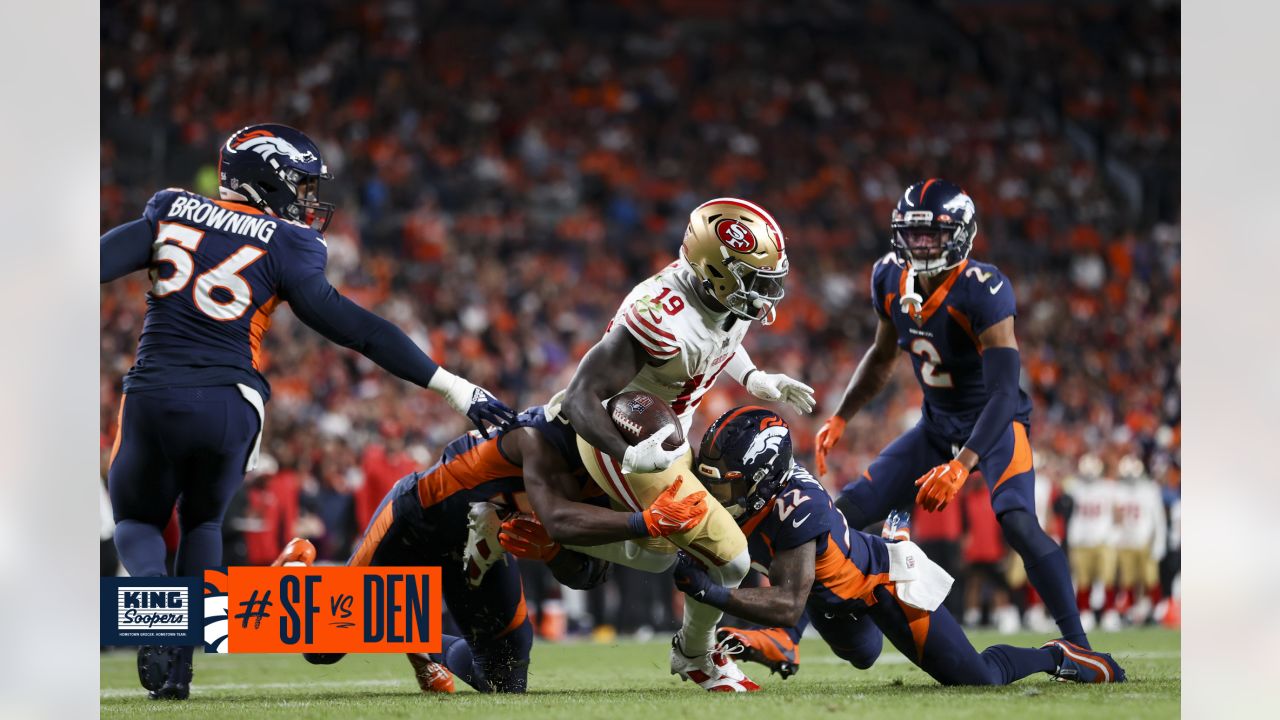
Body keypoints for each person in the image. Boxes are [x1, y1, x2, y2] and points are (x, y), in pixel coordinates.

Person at [100, 123, 518, 700]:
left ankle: (159, 619)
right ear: (263, 177)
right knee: (203, 523)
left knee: (138, 522)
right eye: (297, 184)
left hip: (153, 392)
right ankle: (179, 666)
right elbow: (358, 330)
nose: (303, 199)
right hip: (230, 402)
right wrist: (452, 386)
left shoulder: (171, 210)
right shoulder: (287, 241)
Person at [814, 179, 1089, 649]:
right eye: (912, 234)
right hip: (936, 425)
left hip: (993, 423)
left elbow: (1004, 392)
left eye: (932, 235)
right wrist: (842, 416)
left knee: (1018, 521)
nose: (920, 245)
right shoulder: (887, 276)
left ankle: (1079, 643)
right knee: (840, 515)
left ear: (961, 234)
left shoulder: (983, 288)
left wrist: (964, 465)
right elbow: (882, 356)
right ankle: (797, 631)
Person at [556, 198, 814, 692]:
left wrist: (755, 378)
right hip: (625, 436)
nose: (765, 294)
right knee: (731, 559)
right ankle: (696, 654)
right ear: (715, 270)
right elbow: (579, 398)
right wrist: (629, 453)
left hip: (669, 438)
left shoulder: (719, 296)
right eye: (754, 280)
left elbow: (721, 336)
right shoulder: (658, 314)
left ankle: (559, 532)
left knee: (657, 554)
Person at [676, 406, 1126, 686]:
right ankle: (785, 642)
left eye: (726, 483)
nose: (715, 494)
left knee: (978, 679)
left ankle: (1056, 656)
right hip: (829, 599)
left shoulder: (797, 506)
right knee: (864, 655)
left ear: (761, 478)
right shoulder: (748, 491)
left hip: (881, 586)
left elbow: (788, 602)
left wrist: (709, 592)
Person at [279, 404, 710, 693]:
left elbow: (590, 575)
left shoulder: (610, 487)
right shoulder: (540, 438)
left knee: (503, 681)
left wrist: (552, 553)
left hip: (480, 549)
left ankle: (416, 639)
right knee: (322, 649)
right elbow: (556, 516)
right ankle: (294, 577)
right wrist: (641, 522)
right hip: (423, 519)